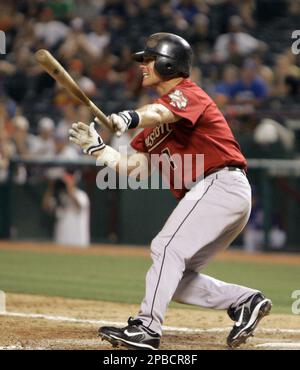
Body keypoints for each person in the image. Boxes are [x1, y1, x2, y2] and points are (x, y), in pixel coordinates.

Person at [69, 33, 272, 350]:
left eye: (148, 60)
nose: (143, 66)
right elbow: (135, 168)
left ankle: (147, 328)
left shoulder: (188, 93)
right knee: (175, 275)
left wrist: (129, 116)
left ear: (167, 63)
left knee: (165, 248)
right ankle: (245, 301)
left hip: (220, 183)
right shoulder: (153, 126)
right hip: (218, 194)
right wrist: (97, 149)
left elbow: (161, 112)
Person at [42, 172, 90, 248]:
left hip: (78, 242)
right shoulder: (59, 196)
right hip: (61, 241)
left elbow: (79, 206)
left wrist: (69, 188)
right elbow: (45, 207)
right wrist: (51, 187)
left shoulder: (81, 195)